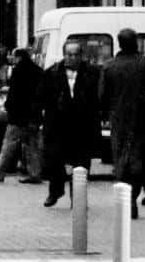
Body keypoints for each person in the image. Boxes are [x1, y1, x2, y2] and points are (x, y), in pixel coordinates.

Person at [100, 27, 145, 219]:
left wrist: (105, 115)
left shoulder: (109, 66)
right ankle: (134, 194)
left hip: (118, 119)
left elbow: (103, 96)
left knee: (121, 159)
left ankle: (127, 198)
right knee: (138, 158)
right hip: (142, 119)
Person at [40, 39, 101, 206]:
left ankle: (78, 197)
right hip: (58, 124)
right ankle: (55, 191)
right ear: (64, 55)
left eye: (75, 55)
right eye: (69, 55)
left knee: (81, 164)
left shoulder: (92, 73)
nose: (72, 58)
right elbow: (42, 98)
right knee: (54, 160)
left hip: (82, 124)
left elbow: (97, 99)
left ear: (81, 56)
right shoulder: (51, 73)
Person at [0, 47, 42, 183]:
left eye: (14, 57)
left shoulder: (19, 71)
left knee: (9, 142)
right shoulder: (38, 71)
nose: (12, 59)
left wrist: (8, 107)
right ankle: (35, 173)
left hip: (19, 115)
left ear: (19, 57)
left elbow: (15, 94)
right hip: (34, 114)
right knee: (31, 144)